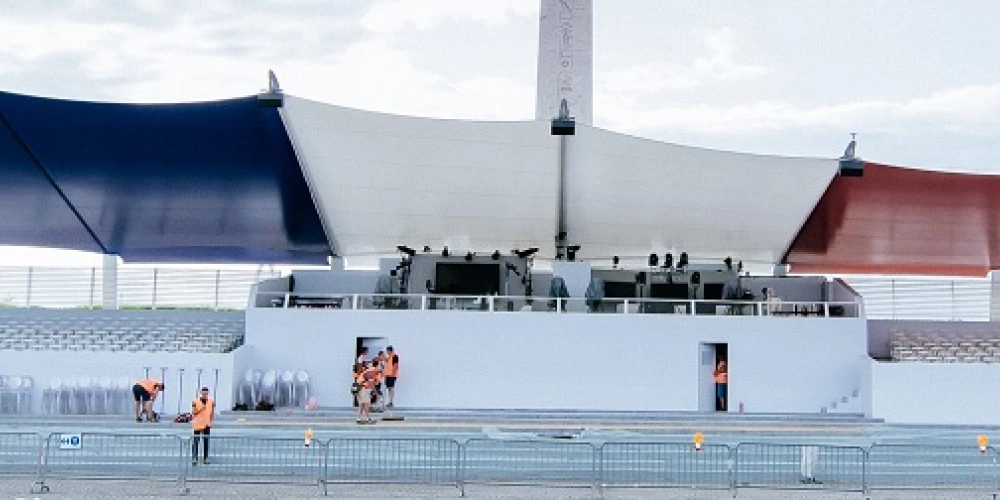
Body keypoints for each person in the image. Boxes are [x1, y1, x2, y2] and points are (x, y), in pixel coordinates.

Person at [191, 387, 215, 465]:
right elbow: (194, 412)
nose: (205, 395)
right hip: (198, 423)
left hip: (206, 423)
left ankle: (206, 458)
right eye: (203, 393)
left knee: (206, 441)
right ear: (201, 393)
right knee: (196, 441)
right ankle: (194, 458)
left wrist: (211, 422)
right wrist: (201, 408)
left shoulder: (211, 402)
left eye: (206, 393)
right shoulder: (196, 401)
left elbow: (212, 413)